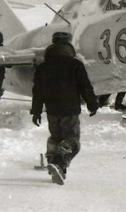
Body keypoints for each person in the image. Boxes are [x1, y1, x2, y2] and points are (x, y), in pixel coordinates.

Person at [30, 32, 99, 185]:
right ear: (68, 45)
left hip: (52, 111)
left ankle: (56, 166)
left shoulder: (43, 67)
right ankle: (58, 163)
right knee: (72, 141)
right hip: (70, 110)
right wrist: (92, 104)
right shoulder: (75, 65)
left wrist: (36, 111)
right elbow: (85, 87)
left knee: (56, 138)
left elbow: (37, 91)